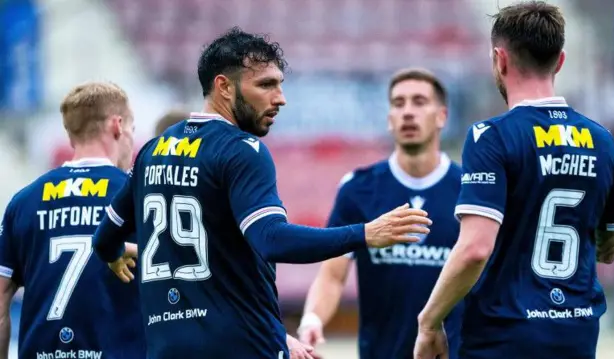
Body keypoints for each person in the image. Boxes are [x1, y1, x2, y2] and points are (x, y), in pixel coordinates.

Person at [92, 27, 432, 359]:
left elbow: (104, 239)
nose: (280, 98)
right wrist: (365, 233)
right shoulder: (240, 150)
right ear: (223, 87)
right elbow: (272, 239)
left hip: (166, 348)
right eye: (266, 85)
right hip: (241, 347)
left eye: (280, 85)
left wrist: (115, 254)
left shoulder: (151, 151)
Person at [413, 2, 614, 359]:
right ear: (560, 60)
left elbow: (475, 249)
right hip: (577, 333)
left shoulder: (491, 137)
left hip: (506, 336)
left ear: (500, 59)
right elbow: (608, 247)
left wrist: (429, 322)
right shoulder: (602, 140)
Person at [297, 68, 463, 359]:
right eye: (398, 104)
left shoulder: (469, 190)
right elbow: (333, 275)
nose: (408, 112)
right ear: (389, 119)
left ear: (442, 116)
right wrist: (313, 318)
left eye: (419, 102)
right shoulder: (358, 188)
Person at [0, 82, 145, 359]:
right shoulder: (136, 195)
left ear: (71, 135)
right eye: (132, 129)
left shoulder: (23, 202)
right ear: (117, 126)